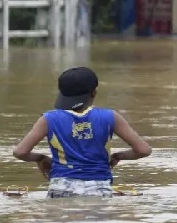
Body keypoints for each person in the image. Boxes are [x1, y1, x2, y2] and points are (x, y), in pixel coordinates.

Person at [11, 67, 153, 198]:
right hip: (99, 188)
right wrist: (118, 156)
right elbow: (143, 150)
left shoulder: (48, 119)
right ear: (94, 92)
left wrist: (41, 158)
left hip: (61, 187)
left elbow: (20, 152)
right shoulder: (110, 117)